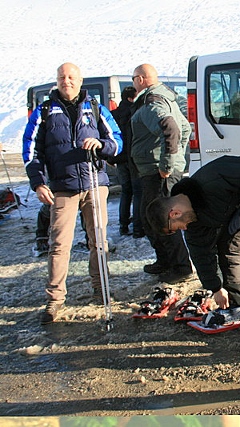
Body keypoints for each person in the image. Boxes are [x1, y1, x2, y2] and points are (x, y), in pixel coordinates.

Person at [146, 155, 240, 340]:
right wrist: (216, 288)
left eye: (176, 227)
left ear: (175, 213)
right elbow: (200, 253)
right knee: (227, 249)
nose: (183, 229)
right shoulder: (193, 220)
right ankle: (237, 306)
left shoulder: (214, 179)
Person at [22, 62, 123, 324]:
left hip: (93, 183)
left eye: (71, 77)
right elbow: (31, 149)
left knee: (98, 241)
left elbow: (117, 141)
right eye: (62, 77)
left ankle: (101, 290)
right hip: (62, 187)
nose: (66, 81)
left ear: (80, 81)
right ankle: (55, 300)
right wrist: (38, 183)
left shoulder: (95, 108)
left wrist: (101, 144)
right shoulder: (44, 111)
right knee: (59, 245)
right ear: (57, 81)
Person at [130, 64, 192, 284]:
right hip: (158, 170)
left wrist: (167, 163)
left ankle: (180, 266)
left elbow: (172, 129)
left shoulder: (152, 102)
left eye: (133, 79)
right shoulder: (167, 99)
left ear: (140, 79)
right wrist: (176, 159)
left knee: (163, 220)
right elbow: (185, 129)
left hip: (158, 172)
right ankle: (166, 261)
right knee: (153, 218)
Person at [108, 86, 144, 238]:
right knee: (138, 192)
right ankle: (137, 228)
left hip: (120, 159)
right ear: (131, 98)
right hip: (134, 159)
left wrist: (111, 158)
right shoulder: (136, 113)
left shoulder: (113, 114)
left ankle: (123, 225)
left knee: (125, 191)